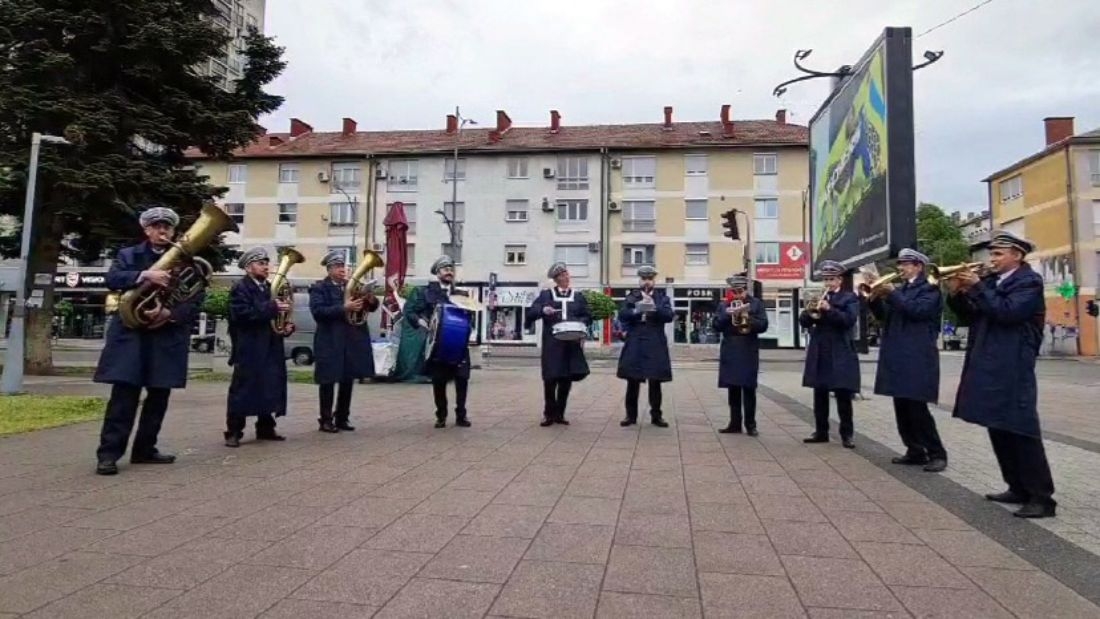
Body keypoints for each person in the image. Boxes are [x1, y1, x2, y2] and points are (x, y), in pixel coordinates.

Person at [947, 230, 1055, 518]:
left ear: (1017, 256)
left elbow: (1008, 312)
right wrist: (958, 293)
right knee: (998, 424)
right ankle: (1016, 487)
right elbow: (970, 316)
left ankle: (1042, 497)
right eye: (991, 254)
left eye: (997, 254)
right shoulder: (993, 282)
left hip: (1014, 364)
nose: (991, 259)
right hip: (990, 362)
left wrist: (978, 287)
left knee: (1021, 428)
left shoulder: (1029, 282)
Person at [93, 206, 204, 475]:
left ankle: (145, 449)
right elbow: (112, 279)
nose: (162, 230)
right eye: (156, 226)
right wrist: (144, 275)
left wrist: (170, 313)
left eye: (166, 226)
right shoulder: (129, 255)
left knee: (158, 398)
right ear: (146, 230)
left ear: (174, 231)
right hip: (132, 336)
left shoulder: (188, 262)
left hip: (165, 336)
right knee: (123, 399)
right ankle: (108, 454)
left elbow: (196, 299)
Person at [864, 248, 948, 472]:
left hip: (917, 356)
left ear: (918, 266)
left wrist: (891, 293)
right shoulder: (901, 290)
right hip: (897, 354)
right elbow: (885, 317)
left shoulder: (929, 289)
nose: (900, 268)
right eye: (900, 263)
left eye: (905, 264)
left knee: (917, 408)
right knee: (901, 405)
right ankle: (914, 449)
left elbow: (917, 311)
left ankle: (937, 453)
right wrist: (873, 300)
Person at [224, 247, 293, 447]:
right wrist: (273, 308)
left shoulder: (270, 287)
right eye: (260, 263)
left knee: (269, 386)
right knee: (243, 389)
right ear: (248, 267)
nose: (266, 267)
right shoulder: (240, 288)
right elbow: (243, 314)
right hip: (250, 347)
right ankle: (234, 431)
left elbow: (275, 319)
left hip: (271, 346)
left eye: (266, 263)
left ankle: (265, 427)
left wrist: (286, 326)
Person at [309, 250, 377, 433]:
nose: (342, 270)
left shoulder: (352, 285)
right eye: (338, 267)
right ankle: (325, 419)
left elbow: (372, 307)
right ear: (329, 269)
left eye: (343, 266)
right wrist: (343, 307)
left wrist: (369, 298)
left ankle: (342, 417)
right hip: (330, 340)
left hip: (350, 340)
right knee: (328, 380)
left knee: (348, 379)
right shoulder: (319, 288)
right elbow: (318, 312)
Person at [408, 255, 474, 428]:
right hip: (437, 344)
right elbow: (411, 311)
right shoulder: (426, 292)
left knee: (462, 379)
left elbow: (469, 317)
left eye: (451, 269)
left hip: (459, 344)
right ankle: (441, 415)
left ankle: (461, 415)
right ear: (437, 273)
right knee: (439, 381)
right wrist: (420, 321)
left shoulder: (461, 294)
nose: (449, 272)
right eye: (445, 269)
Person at [801, 260, 860, 448]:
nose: (828, 283)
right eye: (825, 279)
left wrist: (829, 309)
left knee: (843, 395)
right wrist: (809, 313)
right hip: (820, 348)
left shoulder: (849, 298)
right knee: (820, 393)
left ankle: (847, 434)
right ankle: (821, 431)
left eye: (831, 279)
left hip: (840, 349)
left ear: (840, 280)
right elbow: (804, 321)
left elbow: (848, 321)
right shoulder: (817, 295)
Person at [525, 262, 591, 426]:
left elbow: (587, 316)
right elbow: (531, 312)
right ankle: (549, 414)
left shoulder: (578, 296)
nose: (566, 277)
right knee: (550, 379)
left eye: (566, 274)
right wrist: (542, 310)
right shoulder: (546, 295)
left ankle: (560, 414)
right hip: (553, 344)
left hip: (571, 343)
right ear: (556, 279)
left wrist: (579, 325)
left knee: (566, 380)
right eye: (562, 275)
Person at [617, 265, 673, 428]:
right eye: (644, 279)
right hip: (636, 341)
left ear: (654, 281)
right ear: (640, 281)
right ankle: (630, 416)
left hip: (655, 341)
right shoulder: (631, 297)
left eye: (650, 279)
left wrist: (654, 307)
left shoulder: (662, 297)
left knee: (655, 381)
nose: (647, 282)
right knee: (632, 380)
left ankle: (656, 416)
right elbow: (622, 315)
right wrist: (636, 309)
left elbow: (669, 316)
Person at [713, 274, 769, 436]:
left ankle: (751, 424)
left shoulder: (756, 304)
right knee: (733, 389)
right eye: (735, 291)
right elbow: (716, 325)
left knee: (749, 389)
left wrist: (747, 318)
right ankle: (735, 423)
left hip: (748, 347)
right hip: (731, 347)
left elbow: (764, 325)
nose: (738, 295)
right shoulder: (724, 305)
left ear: (746, 290)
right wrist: (727, 314)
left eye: (741, 291)